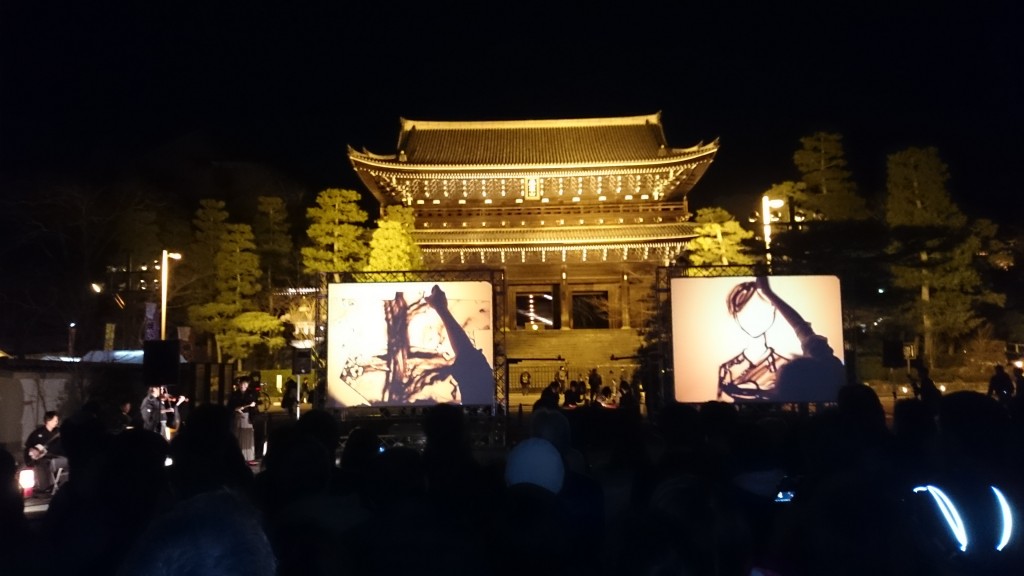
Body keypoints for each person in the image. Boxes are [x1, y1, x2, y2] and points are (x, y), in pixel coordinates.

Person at [23, 410, 67, 494]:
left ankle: (60, 485)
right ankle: (46, 486)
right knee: (43, 463)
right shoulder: (37, 433)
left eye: (57, 420)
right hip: (42, 458)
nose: (57, 422)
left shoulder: (59, 432)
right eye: (55, 420)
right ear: (48, 421)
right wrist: (32, 453)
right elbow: (29, 447)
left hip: (57, 457)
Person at [228, 377, 260, 462]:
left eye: (245, 384)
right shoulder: (234, 394)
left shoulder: (251, 394)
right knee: (238, 436)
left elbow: (255, 404)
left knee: (247, 436)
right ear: (239, 384)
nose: (243, 386)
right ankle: (237, 455)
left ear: (247, 385)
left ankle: (248, 457)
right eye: (241, 384)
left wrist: (253, 406)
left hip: (247, 417)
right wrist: (235, 408)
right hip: (237, 417)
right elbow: (229, 406)